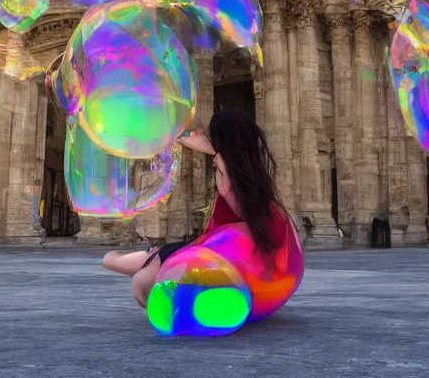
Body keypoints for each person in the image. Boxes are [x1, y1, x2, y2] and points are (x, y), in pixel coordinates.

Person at [102, 109, 290, 310]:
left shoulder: (227, 168)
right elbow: (206, 145)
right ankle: (153, 256)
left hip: (210, 251)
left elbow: (244, 216)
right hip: (206, 245)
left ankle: (154, 258)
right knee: (113, 261)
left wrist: (225, 188)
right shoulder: (250, 166)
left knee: (140, 284)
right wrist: (175, 136)